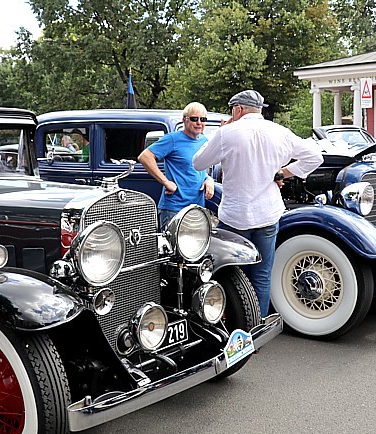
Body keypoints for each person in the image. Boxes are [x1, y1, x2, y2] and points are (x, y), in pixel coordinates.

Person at [192, 89, 323, 317]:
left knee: (230, 275)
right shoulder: (279, 131)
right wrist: (284, 172)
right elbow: (315, 156)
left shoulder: (227, 133)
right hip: (267, 213)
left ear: (238, 109)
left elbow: (198, 162)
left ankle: (233, 328)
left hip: (235, 216)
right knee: (262, 275)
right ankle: (257, 329)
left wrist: (220, 132)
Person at [138, 102, 213, 230]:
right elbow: (145, 157)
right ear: (185, 120)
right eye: (194, 119)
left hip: (197, 209)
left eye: (203, 119)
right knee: (171, 249)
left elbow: (201, 168)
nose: (199, 123)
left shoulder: (204, 141)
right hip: (174, 209)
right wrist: (166, 182)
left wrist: (208, 179)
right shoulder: (172, 139)